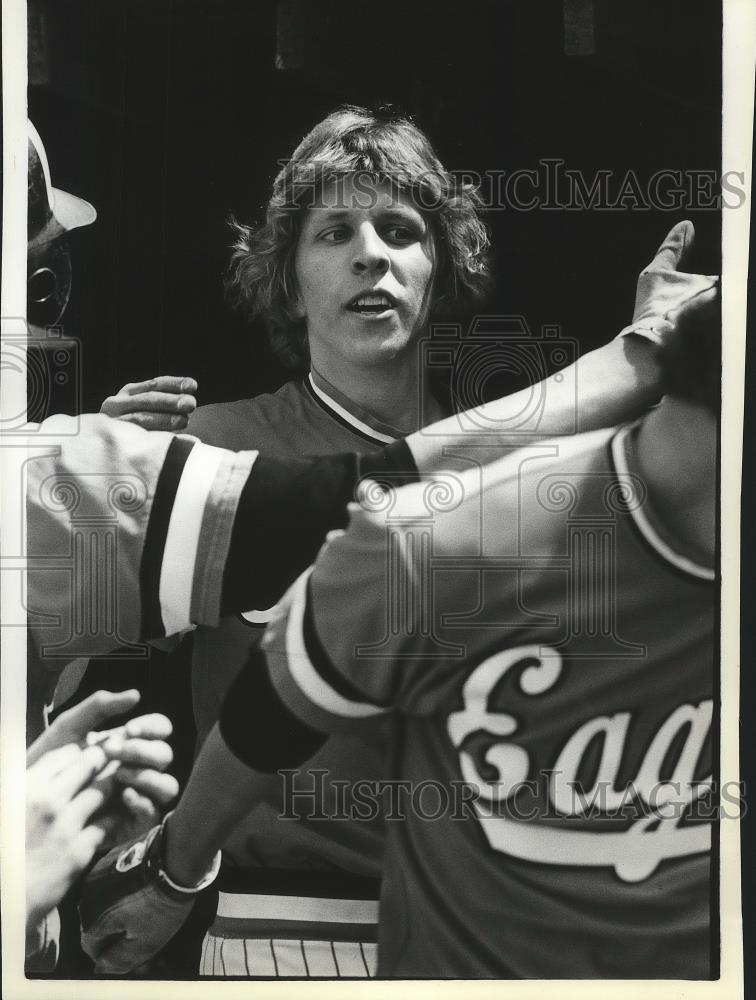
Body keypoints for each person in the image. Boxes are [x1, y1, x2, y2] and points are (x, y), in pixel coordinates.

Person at [93, 105, 716, 975]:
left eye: (400, 230)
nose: (370, 255)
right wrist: (85, 482)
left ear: (441, 266)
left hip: (493, 928)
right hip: (288, 924)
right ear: (287, 276)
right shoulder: (209, 443)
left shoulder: (535, 468)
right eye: (333, 232)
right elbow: (65, 676)